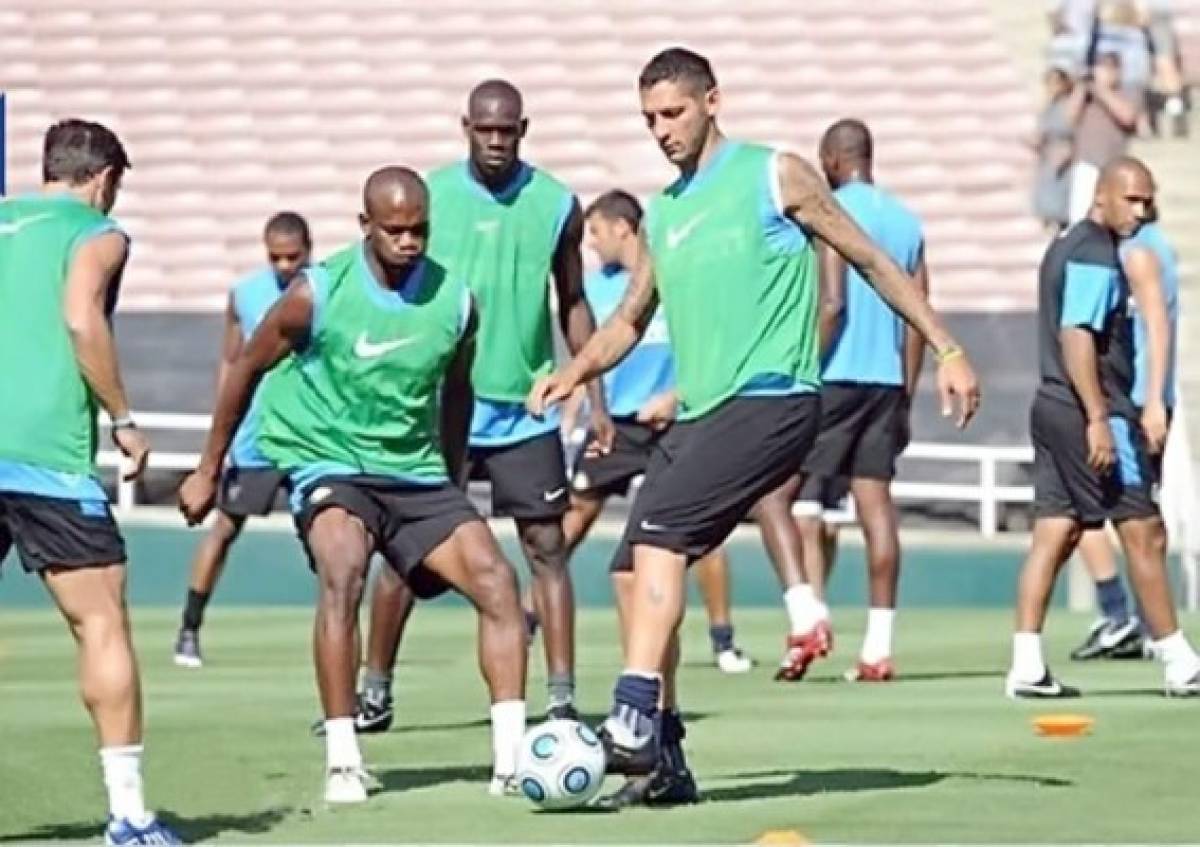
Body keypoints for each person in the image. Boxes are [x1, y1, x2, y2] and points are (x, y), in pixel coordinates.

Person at [527, 48, 980, 806]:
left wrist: (948, 346)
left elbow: (869, 260)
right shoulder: (664, 213)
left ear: (712, 101)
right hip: (704, 415)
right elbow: (630, 319)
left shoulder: (778, 174)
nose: (661, 130)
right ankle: (663, 762)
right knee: (633, 570)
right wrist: (575, 371)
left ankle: (633, 715)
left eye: (673, 113)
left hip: (775, 399)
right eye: (649, 119)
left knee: (663, 540)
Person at [179, 167, 529, 803]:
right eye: (394, 230)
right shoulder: (316, 295)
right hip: (329, 462)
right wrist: (209, 466)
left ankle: (511, 761)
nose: (409, 241)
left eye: (419, 229)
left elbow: (457, 392)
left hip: (416, 474)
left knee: (499, 582)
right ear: (365, 225)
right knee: (343, 568)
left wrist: (454, 483)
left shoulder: (456, 301)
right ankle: (344, 758)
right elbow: (245, 367)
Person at [354, 79, 609, 727]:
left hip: (526, 409)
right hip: (441, 411)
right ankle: (373, 690)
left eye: (508, 130)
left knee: (546, 548)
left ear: (524, 129)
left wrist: (595, 392)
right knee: (406, 552)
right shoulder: (429, 196)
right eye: (484, 129)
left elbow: (573, 302)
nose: (496, 141)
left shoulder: (556, 204)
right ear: (465, 126)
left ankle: (560, 699)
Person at [0, 119, 181, 845]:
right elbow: (81, 318)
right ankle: (130, 816)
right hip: (46, 455)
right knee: (99, 618)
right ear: (104, 178)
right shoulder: (99, 233)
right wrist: (125, 420)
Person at [1006, 156, 1199, 698]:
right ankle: (1179, 659)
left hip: (1050, 404)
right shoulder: (1094, 255)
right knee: (1144, 528)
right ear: (1102, 199)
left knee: (1056, 531)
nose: (1141, 210)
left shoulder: (1067, 247)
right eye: (1131, 199)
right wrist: (1097, 417)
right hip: (1088, 412)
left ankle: (1026, 665)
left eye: (1146, 200)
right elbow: (1076, 335)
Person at [567, 188, 753, 674]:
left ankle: (723, 639)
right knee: (567, 523)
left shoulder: (678, 275)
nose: (593, 245)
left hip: (676, 423)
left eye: (597, 233)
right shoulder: (599, 288)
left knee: (699, 535)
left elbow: (714, 342)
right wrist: (580, 396)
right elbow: (596, 349)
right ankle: (527, 617)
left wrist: (674, 396)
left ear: (623, 229)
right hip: (618, 425)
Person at [784, 118, 929, 683]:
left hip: (835, 376)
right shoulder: (905, 221)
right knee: (877, 511)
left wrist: (805, 369)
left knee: (795, 500)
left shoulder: (832, 213)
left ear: (832, 158)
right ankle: (878, 647)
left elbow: (833, 304)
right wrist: (906, 393)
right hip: (886, 382)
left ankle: (810, 621)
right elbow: (917, 315)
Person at [173, 212, 312, 668]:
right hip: (255, 440)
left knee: (330, 538)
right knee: (225, 530)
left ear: (308, 251)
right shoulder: (246, 295)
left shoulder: (324, 291)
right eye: (277, 257)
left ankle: (343, 639)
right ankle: (189, 629)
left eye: (294, 256)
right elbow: (230, 364)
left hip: (310, 438)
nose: (286, 265)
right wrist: (224, 432)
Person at [1070, 203, 1178, 660]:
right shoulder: (1152, 247)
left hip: (1123, 401)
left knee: (1093, 509)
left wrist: (1149, 400)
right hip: (1140, 400)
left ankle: (1123, 616)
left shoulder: (1133, 251)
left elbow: (1155, 325)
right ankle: (1147, 620)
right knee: (1137, 515)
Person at [1068, 49, 1143, 223]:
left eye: (1110, 69)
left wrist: (1101, 90)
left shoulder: (1128, 92)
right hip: (1087, 163)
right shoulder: (1086, 95)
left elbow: (1127, 116)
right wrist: (1081, 88)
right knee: (1079, 218)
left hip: (1114, 166)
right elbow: (1069, 117)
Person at [1033, 65, 1079, 234]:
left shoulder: (1068, 106)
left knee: (1059, 200)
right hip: (1048, 157)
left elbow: (1072, 132)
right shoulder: (1047, 107)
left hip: (1063, 157)